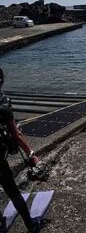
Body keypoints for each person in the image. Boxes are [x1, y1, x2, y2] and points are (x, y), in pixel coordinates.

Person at [0, 68, 44, 232]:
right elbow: (16, 135)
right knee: (13, 192)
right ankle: (31, 225)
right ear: (1, 81)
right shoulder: (3, 104)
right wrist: (31, 154)